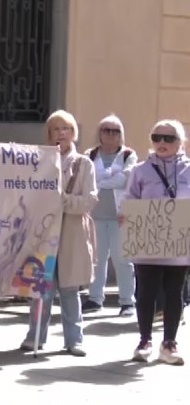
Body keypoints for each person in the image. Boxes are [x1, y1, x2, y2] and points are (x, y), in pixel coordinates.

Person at [22, 110, 95, 356]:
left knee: (70, 289)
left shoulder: (84, 163)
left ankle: (74, 340)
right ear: (49, 134)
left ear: (73, 132)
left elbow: (89, 200)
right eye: (56, 129)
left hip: (71, 233)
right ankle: (35, 336)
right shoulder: (40, 160)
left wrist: (62, 200)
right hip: (43, 232)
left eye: (66, 128)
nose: (61, 133)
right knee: (40, 288)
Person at [123, 119, 189, 365]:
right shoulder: (140, 170)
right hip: (147, 236)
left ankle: (169, 343)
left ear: (180, 143)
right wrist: (125, 215)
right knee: (146, 292)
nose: (162, 143)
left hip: (179, 239)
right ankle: (144, 340)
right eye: (156, 137)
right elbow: (129, 199)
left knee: (175, 292)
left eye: (168, 138)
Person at [83, 115, 137, 315]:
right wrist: (104, 181)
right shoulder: (90, 154)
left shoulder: (128, 155)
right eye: (106, 130)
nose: (111, 134)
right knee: (96, 259)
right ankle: (95, 298)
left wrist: (98, 182)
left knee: (123, 259)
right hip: (95, 214)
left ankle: (127, 301)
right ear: (99, 133)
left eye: (115, 131)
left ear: (121, 134)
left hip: (120, 215)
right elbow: (85, 180)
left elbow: (125, 179)